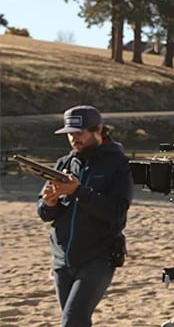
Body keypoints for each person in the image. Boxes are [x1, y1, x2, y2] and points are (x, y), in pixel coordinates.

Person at [37, 105, 133, 327]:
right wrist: (49, 203)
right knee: (73, 321)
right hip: (62, 259)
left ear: (98, 129)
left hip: (98, 258)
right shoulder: (63, 164)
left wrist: (79, 191)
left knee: (73, 321)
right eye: (70, 134)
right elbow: (44, 213)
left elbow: (116, 211)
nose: (74, 139)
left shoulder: (118, 164)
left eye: (79, 133)